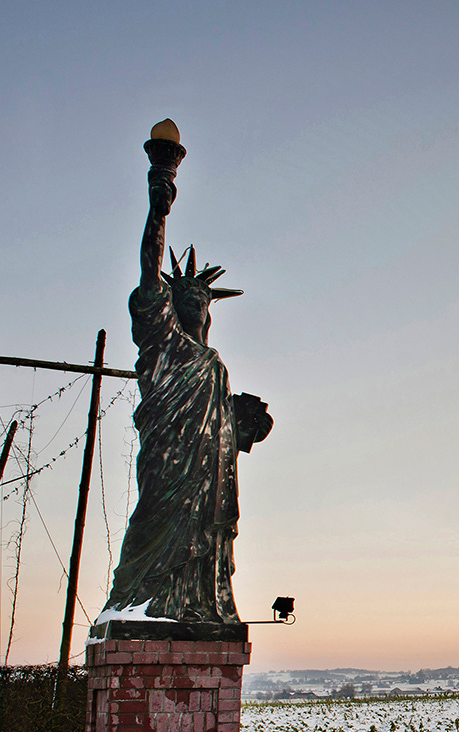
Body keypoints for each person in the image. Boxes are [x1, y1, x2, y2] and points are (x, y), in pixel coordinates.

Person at [103, 154, 268, 623]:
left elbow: (218, 426)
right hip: (168, 464)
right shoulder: (161, 341)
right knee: (150, 524)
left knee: (204, 539)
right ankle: (144, 604)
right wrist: (160, 204)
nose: (196, 303)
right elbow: (149, 272)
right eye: (187, 297)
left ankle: (197, 604)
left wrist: (241, 427)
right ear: (173, 303)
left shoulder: (213, 363)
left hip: (209, 475)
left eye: (202, 299)